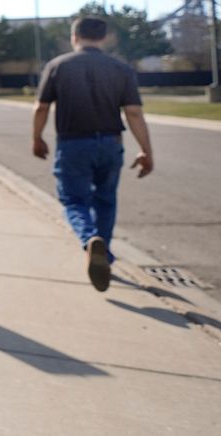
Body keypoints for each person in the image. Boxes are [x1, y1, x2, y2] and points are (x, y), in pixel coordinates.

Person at [31, 16, 155, 291]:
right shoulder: (121, 68)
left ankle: (89, 240)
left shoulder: (58, 66)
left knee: (74, 201)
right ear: (104, 38)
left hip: (73, 143)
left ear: (74, 37)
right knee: (106, 200)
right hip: (111, 143)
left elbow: (41, 107)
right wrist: (146, 150)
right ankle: (104, 255)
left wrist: (37, 138)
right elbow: (133, 112)